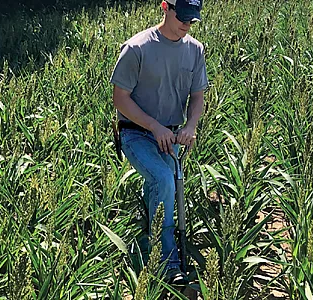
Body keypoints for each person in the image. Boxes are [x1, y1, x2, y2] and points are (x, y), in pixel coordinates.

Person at [110, 0, 208, 284]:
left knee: (170, 186)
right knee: (165, 180)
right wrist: (153, 127)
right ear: (165, 7)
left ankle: (144, 239)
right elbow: (120, 99)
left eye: (192, 20)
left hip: (172, 134)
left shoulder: (194, 50)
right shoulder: (137, 48)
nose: (186, 25)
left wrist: (190, 125)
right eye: (182, 18)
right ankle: (168, 264)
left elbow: (198, 97)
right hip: (135, 132)